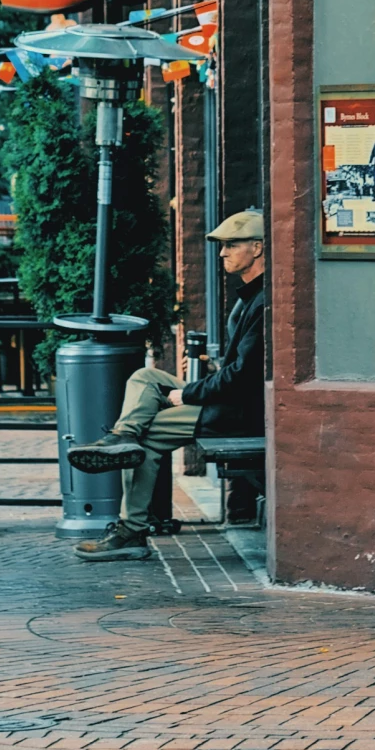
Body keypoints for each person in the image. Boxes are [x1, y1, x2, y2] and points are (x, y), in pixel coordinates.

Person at [67, 210, 266, 560]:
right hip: (230, 399)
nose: (223, 253)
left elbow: (241, 378)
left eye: (231, 245)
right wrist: (203, 375)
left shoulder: (264, 302)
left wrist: (187, 393)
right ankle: (121, 438)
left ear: (258, 248)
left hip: (238, 411)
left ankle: (131, 530)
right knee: (145, 376)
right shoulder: (252, 296)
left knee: (148, 438)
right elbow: (238, 369)